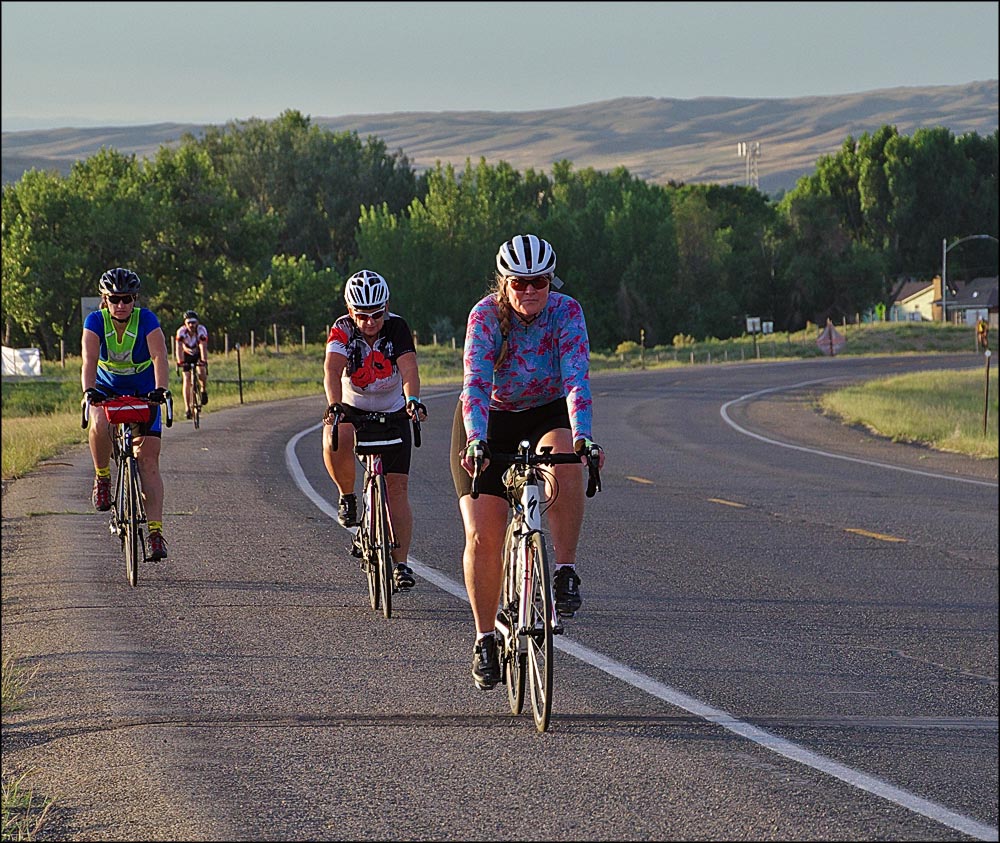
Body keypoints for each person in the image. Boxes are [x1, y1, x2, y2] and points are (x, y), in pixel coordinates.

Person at [450, 234, 605, 691]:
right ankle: (483, 638)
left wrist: (585, 438)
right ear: (504, 283)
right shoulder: (485, 316)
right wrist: (476, 440)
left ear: (550, 282)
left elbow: (577, 379)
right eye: (520, 283)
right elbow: (475, 383)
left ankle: (564, 570)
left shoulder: (566, 312)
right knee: (483, 533)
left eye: (539, 282)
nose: (530, 292)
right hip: (489, 417)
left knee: (568, 461)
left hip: (546, 410)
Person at [321, 269, 427, 592]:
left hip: (394, 409)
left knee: (397, 490)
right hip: (353, 405)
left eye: (377, 314)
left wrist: (413, 400)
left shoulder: (397, 328)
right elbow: (332, 368)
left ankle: (402, 563)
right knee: (334, 434)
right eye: (363, 316)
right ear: (351, 312)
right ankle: (347, 496)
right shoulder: (341, 330)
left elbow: (409, 369)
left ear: (386, 308)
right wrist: (335, 404)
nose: (370, 322)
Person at [81, 268, 172, 560]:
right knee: (97, 420)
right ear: (104, 299)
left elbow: (159, 356)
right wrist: (89, 390)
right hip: (107, 389)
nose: (121, 305)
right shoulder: (95, 321)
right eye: (114, 299)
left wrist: (161, 389)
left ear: (135, 299)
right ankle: (102, 478)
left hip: (144, 391)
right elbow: (89, 360)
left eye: (127, 299)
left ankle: (155, 532)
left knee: (148, 461)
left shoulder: (146, 319)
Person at [175, 309, 209, 418]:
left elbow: (203, 347)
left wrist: (203, 361)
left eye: (193, 322)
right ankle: (187, 408)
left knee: (201, 371)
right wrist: (180, 362)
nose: (191, 325)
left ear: (197, 323)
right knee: (187, 379)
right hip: (187, 354)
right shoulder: (181, 332)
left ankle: (203, 389)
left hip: (198, 353)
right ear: (185, 323)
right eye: (189, 322)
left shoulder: (201, 330)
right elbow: (178, 347)